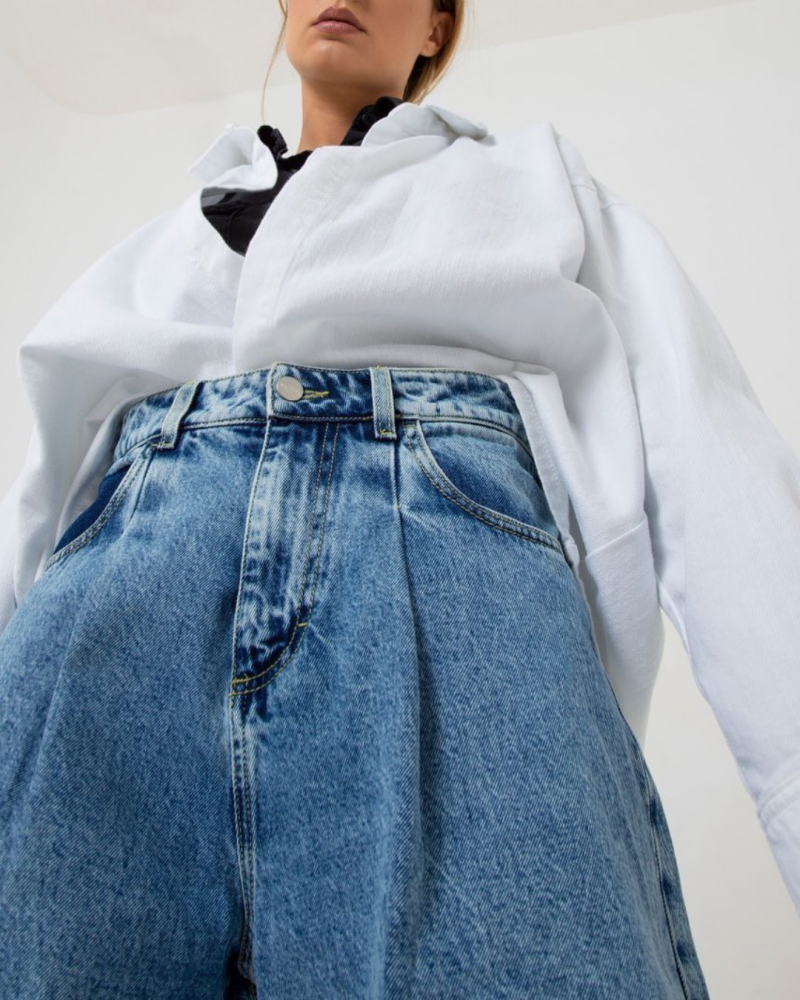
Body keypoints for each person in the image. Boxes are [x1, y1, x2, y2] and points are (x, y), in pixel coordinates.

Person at [0, 0, 797, 996]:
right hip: (119, 627)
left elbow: (714, 463)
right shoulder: (153, 246)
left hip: (442, 606)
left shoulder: (539, 185)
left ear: (433, 29)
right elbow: (44, 502)